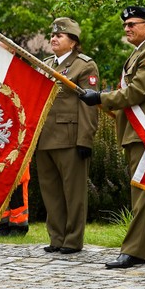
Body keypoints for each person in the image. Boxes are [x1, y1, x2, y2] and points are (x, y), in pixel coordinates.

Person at [79, 6, 145, 268]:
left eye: (133, 24)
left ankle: (135, 251)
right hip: (137, 129)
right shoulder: (140, 52)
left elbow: (137, 91)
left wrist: (100, 97)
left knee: (142, 190)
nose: (127, 28)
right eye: (125, 25)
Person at [36, 17, 99, 254]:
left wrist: (85, 139)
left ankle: (72, 240)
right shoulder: (45, 63)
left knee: (73, 194)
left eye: (59, 35)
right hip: (45, 138)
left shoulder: (84, 66)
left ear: (73, 42)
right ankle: (57, 237)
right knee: (51, 192)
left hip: (70, 138)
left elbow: (88, 105)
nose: (54, 38)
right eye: (52, 35)